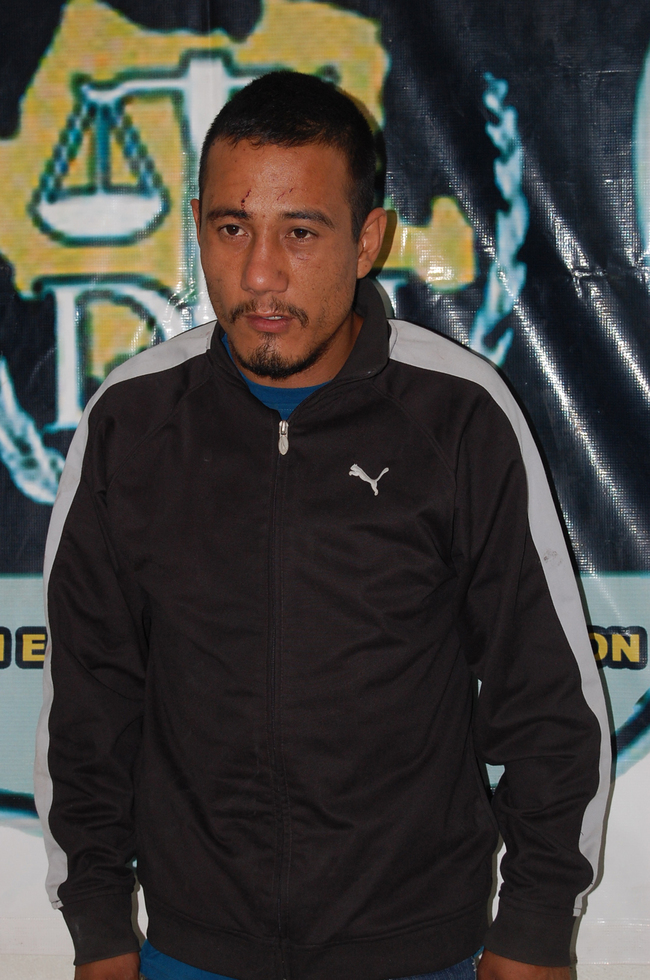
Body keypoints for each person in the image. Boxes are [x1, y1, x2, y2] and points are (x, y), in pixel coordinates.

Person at [35, 71, 609, 980]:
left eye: (300, 232)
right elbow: (88, 700)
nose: (261, 275)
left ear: (368, 239)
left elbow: (548, 695)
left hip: (421, 950)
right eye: (233, 229)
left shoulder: (458, 415)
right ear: (197, 227)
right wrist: (99, 926)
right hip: (191, 951)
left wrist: (536, 928)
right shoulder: (131, 423)